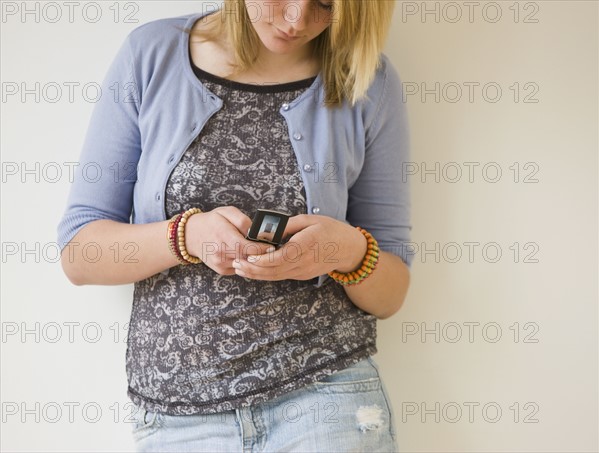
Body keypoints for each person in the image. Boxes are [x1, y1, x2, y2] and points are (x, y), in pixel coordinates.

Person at [57, 0, 412, 451]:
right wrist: (185, 237)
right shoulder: (153, 54)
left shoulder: (367, 80)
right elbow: (79, 254)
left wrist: (347, 251)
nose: (296, 19)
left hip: (326, 398)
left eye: (325, 4)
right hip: (177, 416)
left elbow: (392, 291)